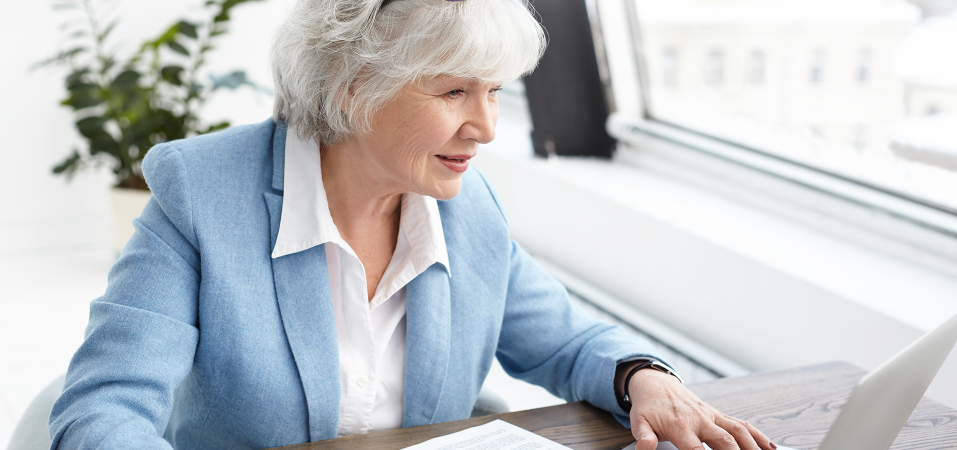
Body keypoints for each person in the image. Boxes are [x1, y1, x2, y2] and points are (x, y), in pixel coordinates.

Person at [49, 1, 776, 449]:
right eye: (455, 90)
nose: (485, 127)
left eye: (494, 92)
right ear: (354, 87)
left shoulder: (465, 209)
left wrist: (644, 378)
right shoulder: (202, 192)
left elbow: (569, 339)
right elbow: (103, 408)